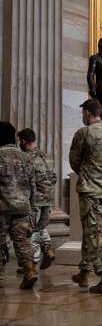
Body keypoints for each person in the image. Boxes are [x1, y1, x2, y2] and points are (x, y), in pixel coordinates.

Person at [69, 98, 102, 294]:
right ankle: (84, 272)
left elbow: (74, 161)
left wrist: (87, 170)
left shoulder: (84, 133)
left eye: (83, 113)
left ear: (87, 113)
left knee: (95, 233)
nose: (83, 116)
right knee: (96, 231)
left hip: (90, 189)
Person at [0, 122, 38, 289]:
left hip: (2, 207)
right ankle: (29, 270)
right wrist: (32, 209)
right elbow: (32, 185)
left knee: (1, 242)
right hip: (23, 207)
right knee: (22, 242)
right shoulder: (26, 157)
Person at [17, 128, 57, 270]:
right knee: (41, 227)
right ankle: (48, 248)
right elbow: (54, 178)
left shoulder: (25, 157)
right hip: (48, 198)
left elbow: (23, 181)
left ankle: (32, 265)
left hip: (34, 200)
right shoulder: (46, 156)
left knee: (32, 230)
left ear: (23, 141)